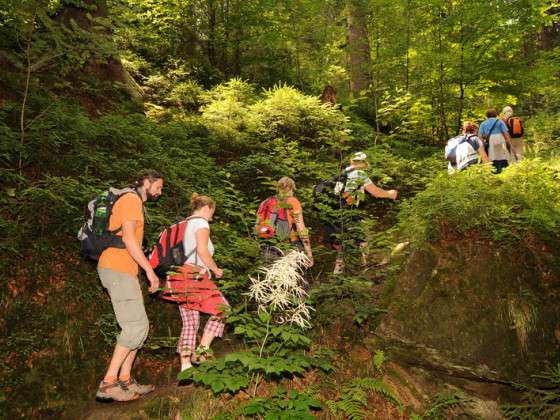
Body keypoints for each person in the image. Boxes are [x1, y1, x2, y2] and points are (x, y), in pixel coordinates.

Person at [96, 170, 164, 402]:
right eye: (158, 187)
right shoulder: (131, 200)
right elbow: (128, 239)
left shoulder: (134, 202)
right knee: (134, 327)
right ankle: (108, 383)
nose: (160, 192)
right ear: (147, 182)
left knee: (140, 327)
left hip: (124, 270)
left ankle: (125, 380)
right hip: (116, 267)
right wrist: (149, 271)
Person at [177, 193, 229, 372]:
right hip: (195, 275)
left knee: (190, 321)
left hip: (178, 275)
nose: (212, 217)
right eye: (212, 213)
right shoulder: (201, 223)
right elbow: (202, 251)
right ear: (207, 208)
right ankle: (202, 350)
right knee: (223, 309)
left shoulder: (182, 224)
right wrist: (215, 269)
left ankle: (185, 366)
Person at [327, 152, 398, 274]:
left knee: (345, 242)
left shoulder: (343, 173)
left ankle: (339, 273)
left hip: (336, 211)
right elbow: (375, 192)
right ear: (363, 163)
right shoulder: (360, 173)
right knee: (365, 238)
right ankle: (363, 268)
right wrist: (390, 194)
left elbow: (336, 193)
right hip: (350, 211)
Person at [257, 177, 314, 267]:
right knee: (294, 277)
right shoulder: (293, 202)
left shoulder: (265, 202)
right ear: (292, 188)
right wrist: (309, 253)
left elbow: (258, 225)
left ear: (278, 188)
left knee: (271, 277)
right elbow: (301, 228)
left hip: (267, 246)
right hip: (289, 247)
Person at [479, 108, 516, 173]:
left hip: (490, 140)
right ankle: (504, 169)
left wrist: (482, 146)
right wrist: (510, 144)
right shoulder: (499, 121)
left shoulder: (483, 123)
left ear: (487, 115)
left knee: (492, 155)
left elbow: (480, 136)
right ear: (495, 114)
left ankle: (495, 170)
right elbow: (506, 133)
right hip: (500, 138)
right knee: (502, 154)